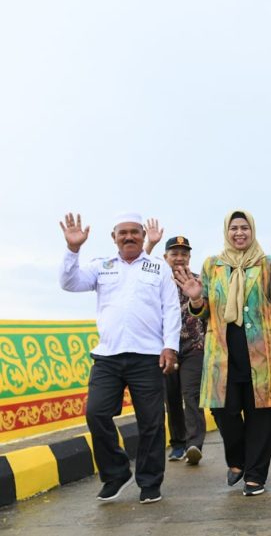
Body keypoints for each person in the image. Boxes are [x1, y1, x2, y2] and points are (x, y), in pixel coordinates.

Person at [59, 212, 180, 504]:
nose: (129, 237)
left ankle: (150, 482)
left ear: (143, 236)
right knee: (96, 413)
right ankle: (116, 473)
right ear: (113, 237)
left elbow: (171, 308)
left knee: (151, 422)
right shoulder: (102, 266)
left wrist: (170, 347)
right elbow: (69, 283)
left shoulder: (158, 267)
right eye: (122, 232)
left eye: (134, 232)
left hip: (148, 356)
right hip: (108, 357)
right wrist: (73, 249)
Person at [174, 210, 271, 497]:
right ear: (226, 232)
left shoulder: (267, 265)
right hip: (222, 354)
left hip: (261, 353)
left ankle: (255, 476)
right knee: (223, 411)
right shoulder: (212, 265)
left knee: (259, 416)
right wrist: (196, 299)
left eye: (244, 228)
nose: (239, 233)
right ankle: (238, 459)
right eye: (234, 228)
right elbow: (205, 312)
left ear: (252, 231)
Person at [143, 223, 208, 465]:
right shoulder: (156, 281)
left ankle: (194, 444)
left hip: (194, 347)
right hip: (165, 348)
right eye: (174, 254)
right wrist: (149, 244)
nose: (179, 258)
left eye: (184, 254)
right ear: (165, 257)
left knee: (191, 395)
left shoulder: (200, 281)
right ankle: (178, 444)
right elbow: (138, 268)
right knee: (171, 398)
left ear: (189, 257)